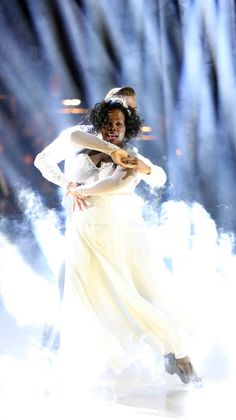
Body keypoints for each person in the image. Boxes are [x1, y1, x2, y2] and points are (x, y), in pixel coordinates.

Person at [35, 99, 201, 386]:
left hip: (119, 236)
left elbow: (120, 184)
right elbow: (52, 153)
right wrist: (68, 184)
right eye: (109, 121)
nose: (113, 127)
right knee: (75, 297)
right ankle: (50, 361)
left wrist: (83, 189)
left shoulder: (130, 156)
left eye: (119, 123)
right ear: (98, 122)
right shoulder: (80, 140)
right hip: (83, 235)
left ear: (128, 127)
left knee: (141, 297)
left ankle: (179, 358)